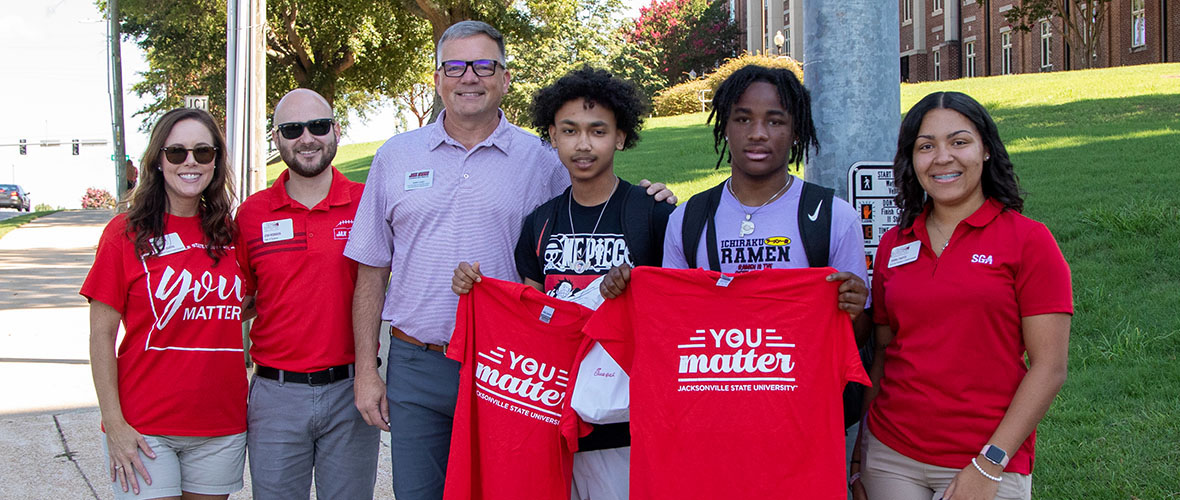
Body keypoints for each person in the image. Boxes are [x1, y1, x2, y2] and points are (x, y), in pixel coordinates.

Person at [344, 21, 673, 500]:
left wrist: (651, 200)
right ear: (436, 78)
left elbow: (590, 200)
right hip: (418, 363)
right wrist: (366, 369)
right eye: (455, 66)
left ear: (505, 77)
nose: (469, 77)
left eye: (484, 65)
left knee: (508, 489)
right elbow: (371, 269)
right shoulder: (395, 156)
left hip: (509, 369)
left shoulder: (543, 156)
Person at [451, 65, 674, 500]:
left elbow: (674, 316)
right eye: (569, 131)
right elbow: (531, 321)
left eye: (598, 131)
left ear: (621, 137)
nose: (583, 144)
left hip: (623, 423)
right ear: (552, 136)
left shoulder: (651, 213)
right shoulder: (540, 221)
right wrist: (475, 288)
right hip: (550, 417)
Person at [850, 92, 1072, 500]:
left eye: (959, 142)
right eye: (926, 146)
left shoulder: (1029, 241)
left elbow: (1049, 368)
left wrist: (989, 463)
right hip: (891, 454)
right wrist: (861, 455)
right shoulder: (893, 244)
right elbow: (883, 353)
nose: (942, 158)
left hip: (987, 457)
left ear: (985, 149)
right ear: (911, 159)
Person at [603, 64, 870, 337]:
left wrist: (856, 312)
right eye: (743, 119)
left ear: (796, 132)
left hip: (803, 364)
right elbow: (672, 326)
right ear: (725, 127)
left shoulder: (833, 216)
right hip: (711, 363)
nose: (757, 133)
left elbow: (858, 337)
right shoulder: (687, 219)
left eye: (775, 121)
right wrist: (627, 290)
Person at [82, 108, 246, 500]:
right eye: (177, 152)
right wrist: (113, 423)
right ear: (158, 160)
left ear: (216, 161)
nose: (190, 162)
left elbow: (251, 301)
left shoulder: (231, 234)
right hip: (144, 426)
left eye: (203, 152)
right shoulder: (124, 234)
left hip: (221, 425)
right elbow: (101, 336)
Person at [234, 89, 378, 499]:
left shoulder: (366, 203)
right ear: (276, 138)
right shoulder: (252, 214)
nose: (307, 138)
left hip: (351, 392)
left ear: (336, 130)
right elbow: (238, 300)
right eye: (292, 129)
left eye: (317, 126)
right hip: (275, 397)